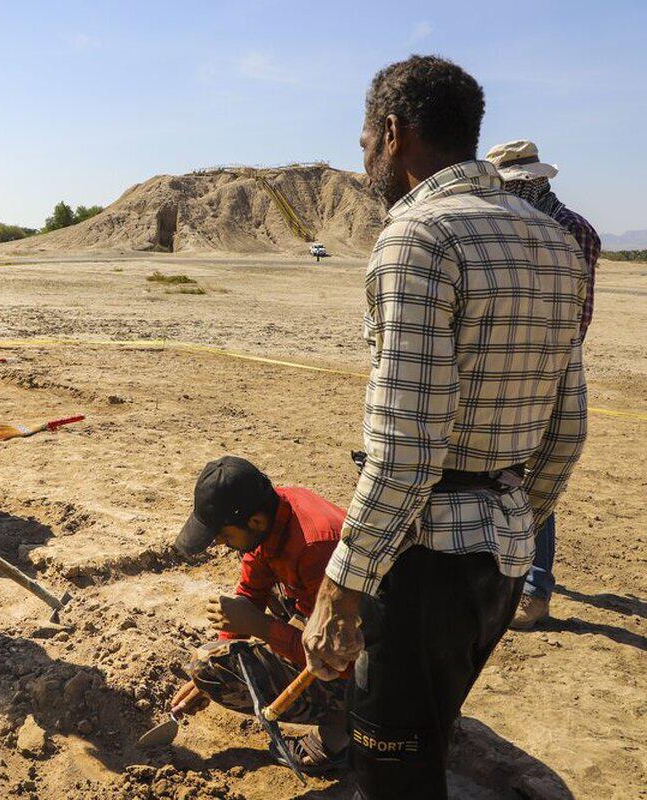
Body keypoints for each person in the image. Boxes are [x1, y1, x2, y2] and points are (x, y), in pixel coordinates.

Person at [301, 56, 587, 799]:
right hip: (501, 556)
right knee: (428, 738)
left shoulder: (418, 238)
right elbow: (568, 426)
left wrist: (341, 588)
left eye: (366, 140)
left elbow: (405, 448)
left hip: (424, 562)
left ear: (393, 134)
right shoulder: (556, 241)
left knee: (392, 769)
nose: (363, 156)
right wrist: (516, 521)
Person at [485, 140, 602, 631]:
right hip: (546, 367)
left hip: (536, 373)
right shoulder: (578, 228)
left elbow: (574, 318)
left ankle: (532, 589)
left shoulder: (543, 232)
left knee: (526, 478)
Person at [169, 457, 351, 773]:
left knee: (210, 668)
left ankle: (348, 725)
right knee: (215, 662)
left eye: (224, 536)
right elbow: (251, 592)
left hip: (375, 667)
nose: (222, 545)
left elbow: (339, 657)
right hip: (333, 623)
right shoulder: (274, 511)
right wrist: (223, 651)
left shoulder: (315, 547)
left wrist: (260, 627)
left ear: (253, 522)